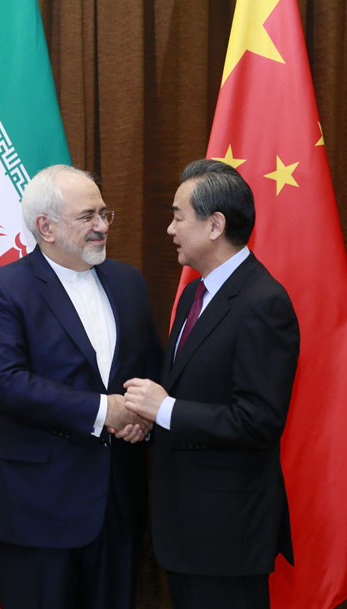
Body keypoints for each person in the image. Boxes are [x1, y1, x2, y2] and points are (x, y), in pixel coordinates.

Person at [0, 165, 161, 609]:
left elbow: (153, 365)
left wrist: (143, 419)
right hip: (38, 511)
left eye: (105, 213)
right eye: (88, 216)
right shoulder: (2, 290)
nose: (102, 226)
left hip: (119, 507)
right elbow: (6, 384)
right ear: (46, 227)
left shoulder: (128, 282)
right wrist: (105, 411)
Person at [124, 159, 300, 609]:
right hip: (185, 530)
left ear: (215, 224)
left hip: (228, 536)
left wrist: (164, 410)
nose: (170, 229)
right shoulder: (193, 294)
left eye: (178, 216)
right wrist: (149, 419)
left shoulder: (264, 303)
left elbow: (258, 421)